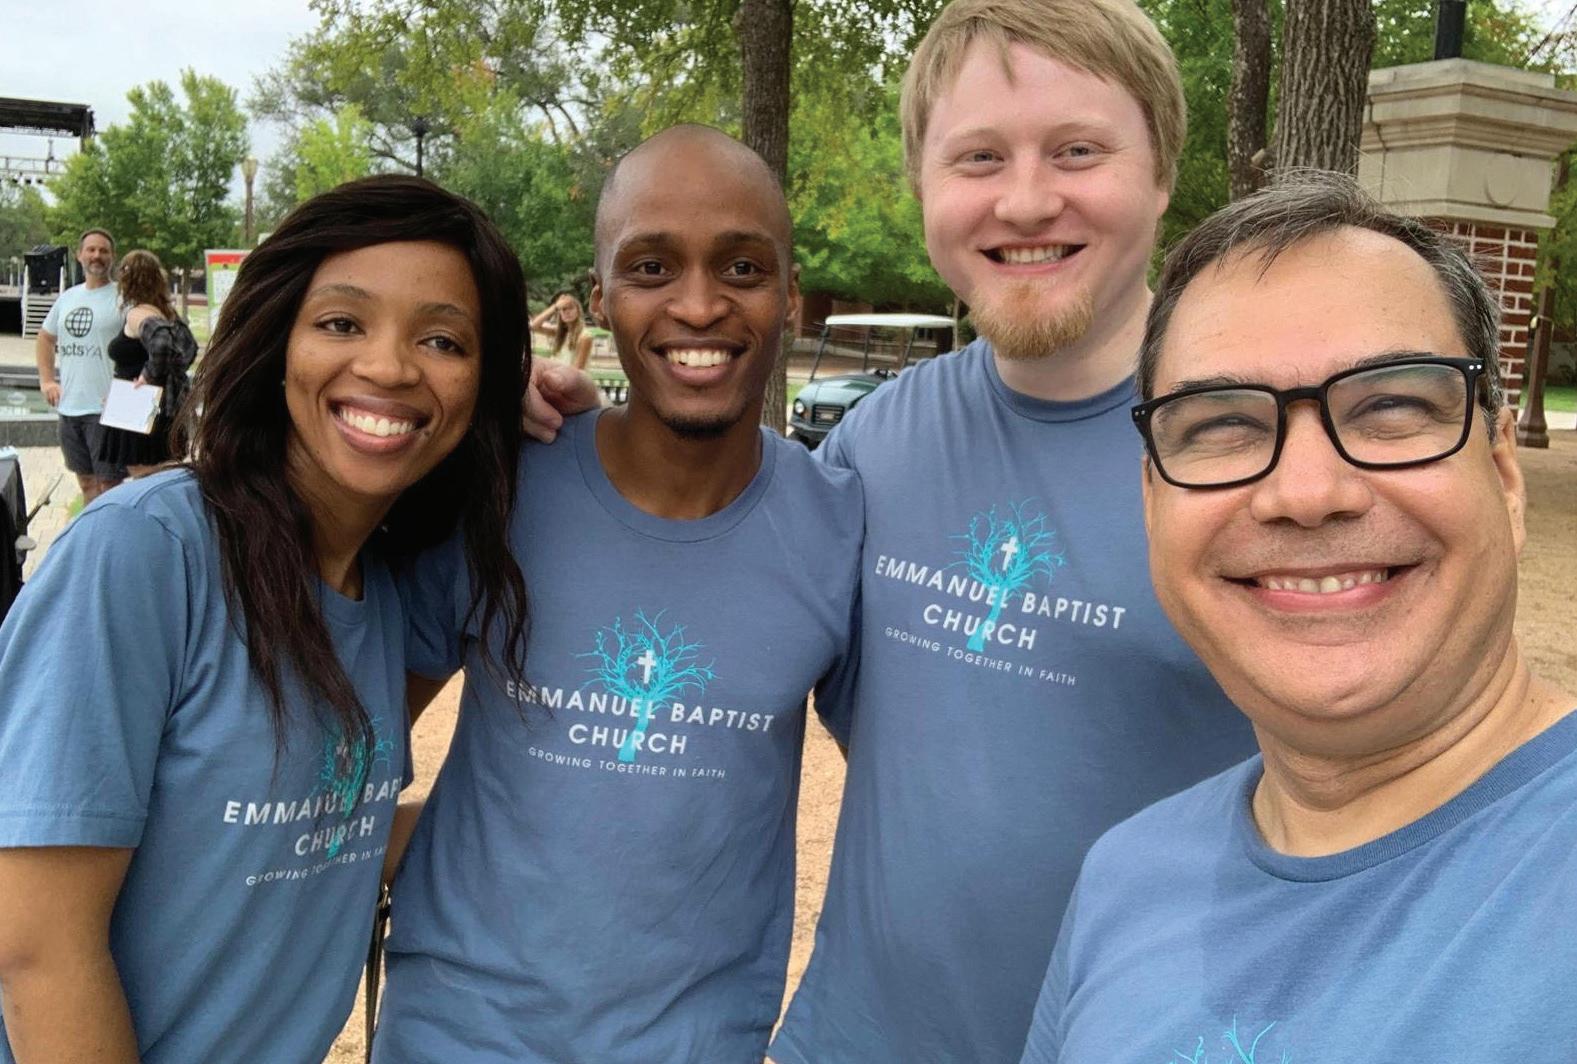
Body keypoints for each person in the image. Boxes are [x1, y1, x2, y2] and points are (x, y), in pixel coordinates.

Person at [767, 2, 1259, 1060]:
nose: (1026, 200)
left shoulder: (1260, 460)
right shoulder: (871, 447)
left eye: (1077, 150)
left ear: (1160, 175)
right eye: (978, 157)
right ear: (923, 186)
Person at [1021, 173, 1577, 1062]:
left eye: (1391, 406)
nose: (1308, 492)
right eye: (1220, 425)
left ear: (1504, 477)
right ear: (1151, 502)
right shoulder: (1123, 879)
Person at [0, 176, 530, 1064]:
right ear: (278, 341)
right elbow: (37, 948)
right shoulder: (147, 554)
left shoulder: (385, 590)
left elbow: (312, 833)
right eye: (342, 323)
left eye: (443, 340)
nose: (391, 367)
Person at [372, 125, 862, 1063]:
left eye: (743, 267)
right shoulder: (501, 492)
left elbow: (912, 787)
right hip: (456, 1036)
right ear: (599, 298)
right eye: (650, 267)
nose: (699, 304)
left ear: (790, 296)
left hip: (696, 1042)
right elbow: (350, 754)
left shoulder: (839, 528)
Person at [35, 228, 126, 502]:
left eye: (103, 251)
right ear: (79, 255)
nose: (97, 255)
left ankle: (110, 531)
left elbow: (148, 347)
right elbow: (45, 338)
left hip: (107, 410)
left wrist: (130, 395)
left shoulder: (124, 298)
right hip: (70, 408)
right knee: (87, 484)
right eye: (91, 250)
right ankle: (90, 530)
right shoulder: (68, 298)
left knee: (110, 487)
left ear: (112, 256)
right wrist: (47, 381)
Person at [95, 249, 197, 476]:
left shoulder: (138, 314)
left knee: (144, 475)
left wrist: (147, 376)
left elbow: (162, 343)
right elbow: (189, 350)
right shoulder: (168, 314)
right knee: (162, 474)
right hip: (163, 406)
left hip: (140, 408)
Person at [530, 289, 595, 369]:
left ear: (578, 311)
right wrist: (555, 307)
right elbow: (533, 326)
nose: (567, 312)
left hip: (569, 376)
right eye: (563, 309)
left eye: (571, 308)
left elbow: (577, 369)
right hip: (555, 373)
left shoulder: (584, 336)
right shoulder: (559, 332)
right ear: (560, 314)